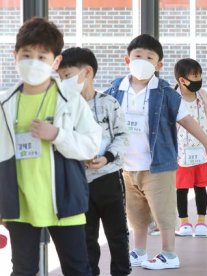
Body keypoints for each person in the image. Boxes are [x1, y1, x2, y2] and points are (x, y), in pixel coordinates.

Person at [105, 34, 207, 270]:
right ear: (127, 59)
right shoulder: (116, 89)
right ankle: (138, 251)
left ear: (159, 65)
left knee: (163, 211)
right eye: (138, 56)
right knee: (136, 213)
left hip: (158, 164)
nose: (143, 60)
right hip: (127, 165)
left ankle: (169, 254)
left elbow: (187, 120)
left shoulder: (165, 92)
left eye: (149, 57)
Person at [0, 17, 102, 275]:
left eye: (42, 57)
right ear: (15, 56)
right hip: (19, 205)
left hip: (65, 201)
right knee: (22, 270)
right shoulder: (4, 104)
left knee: (77, 269)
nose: (33, 62)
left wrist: (57, 134)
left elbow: (91, 146)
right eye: (26, 55)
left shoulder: (71, 101)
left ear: (55, 62)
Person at [58, 47, 130, 276]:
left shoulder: (109, 103)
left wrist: (107, 157)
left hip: (109, 177)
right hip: (78, 181)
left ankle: (121, 271)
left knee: (117, 233)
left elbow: (122, 136)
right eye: (60, 78)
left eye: (67, 76)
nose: (63, 82)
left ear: (87, 72)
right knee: (86, 235)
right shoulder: (62, 107)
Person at [173, 58, 207, 236]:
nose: (198, 80)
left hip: (201, 150)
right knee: (181, 188)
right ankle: (184, 222)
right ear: (182, 80)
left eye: (199, 76)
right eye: (194, 76)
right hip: (181, 152)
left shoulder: (203, 95)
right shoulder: (174, 97)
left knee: (200, 186)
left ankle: (201, 222)